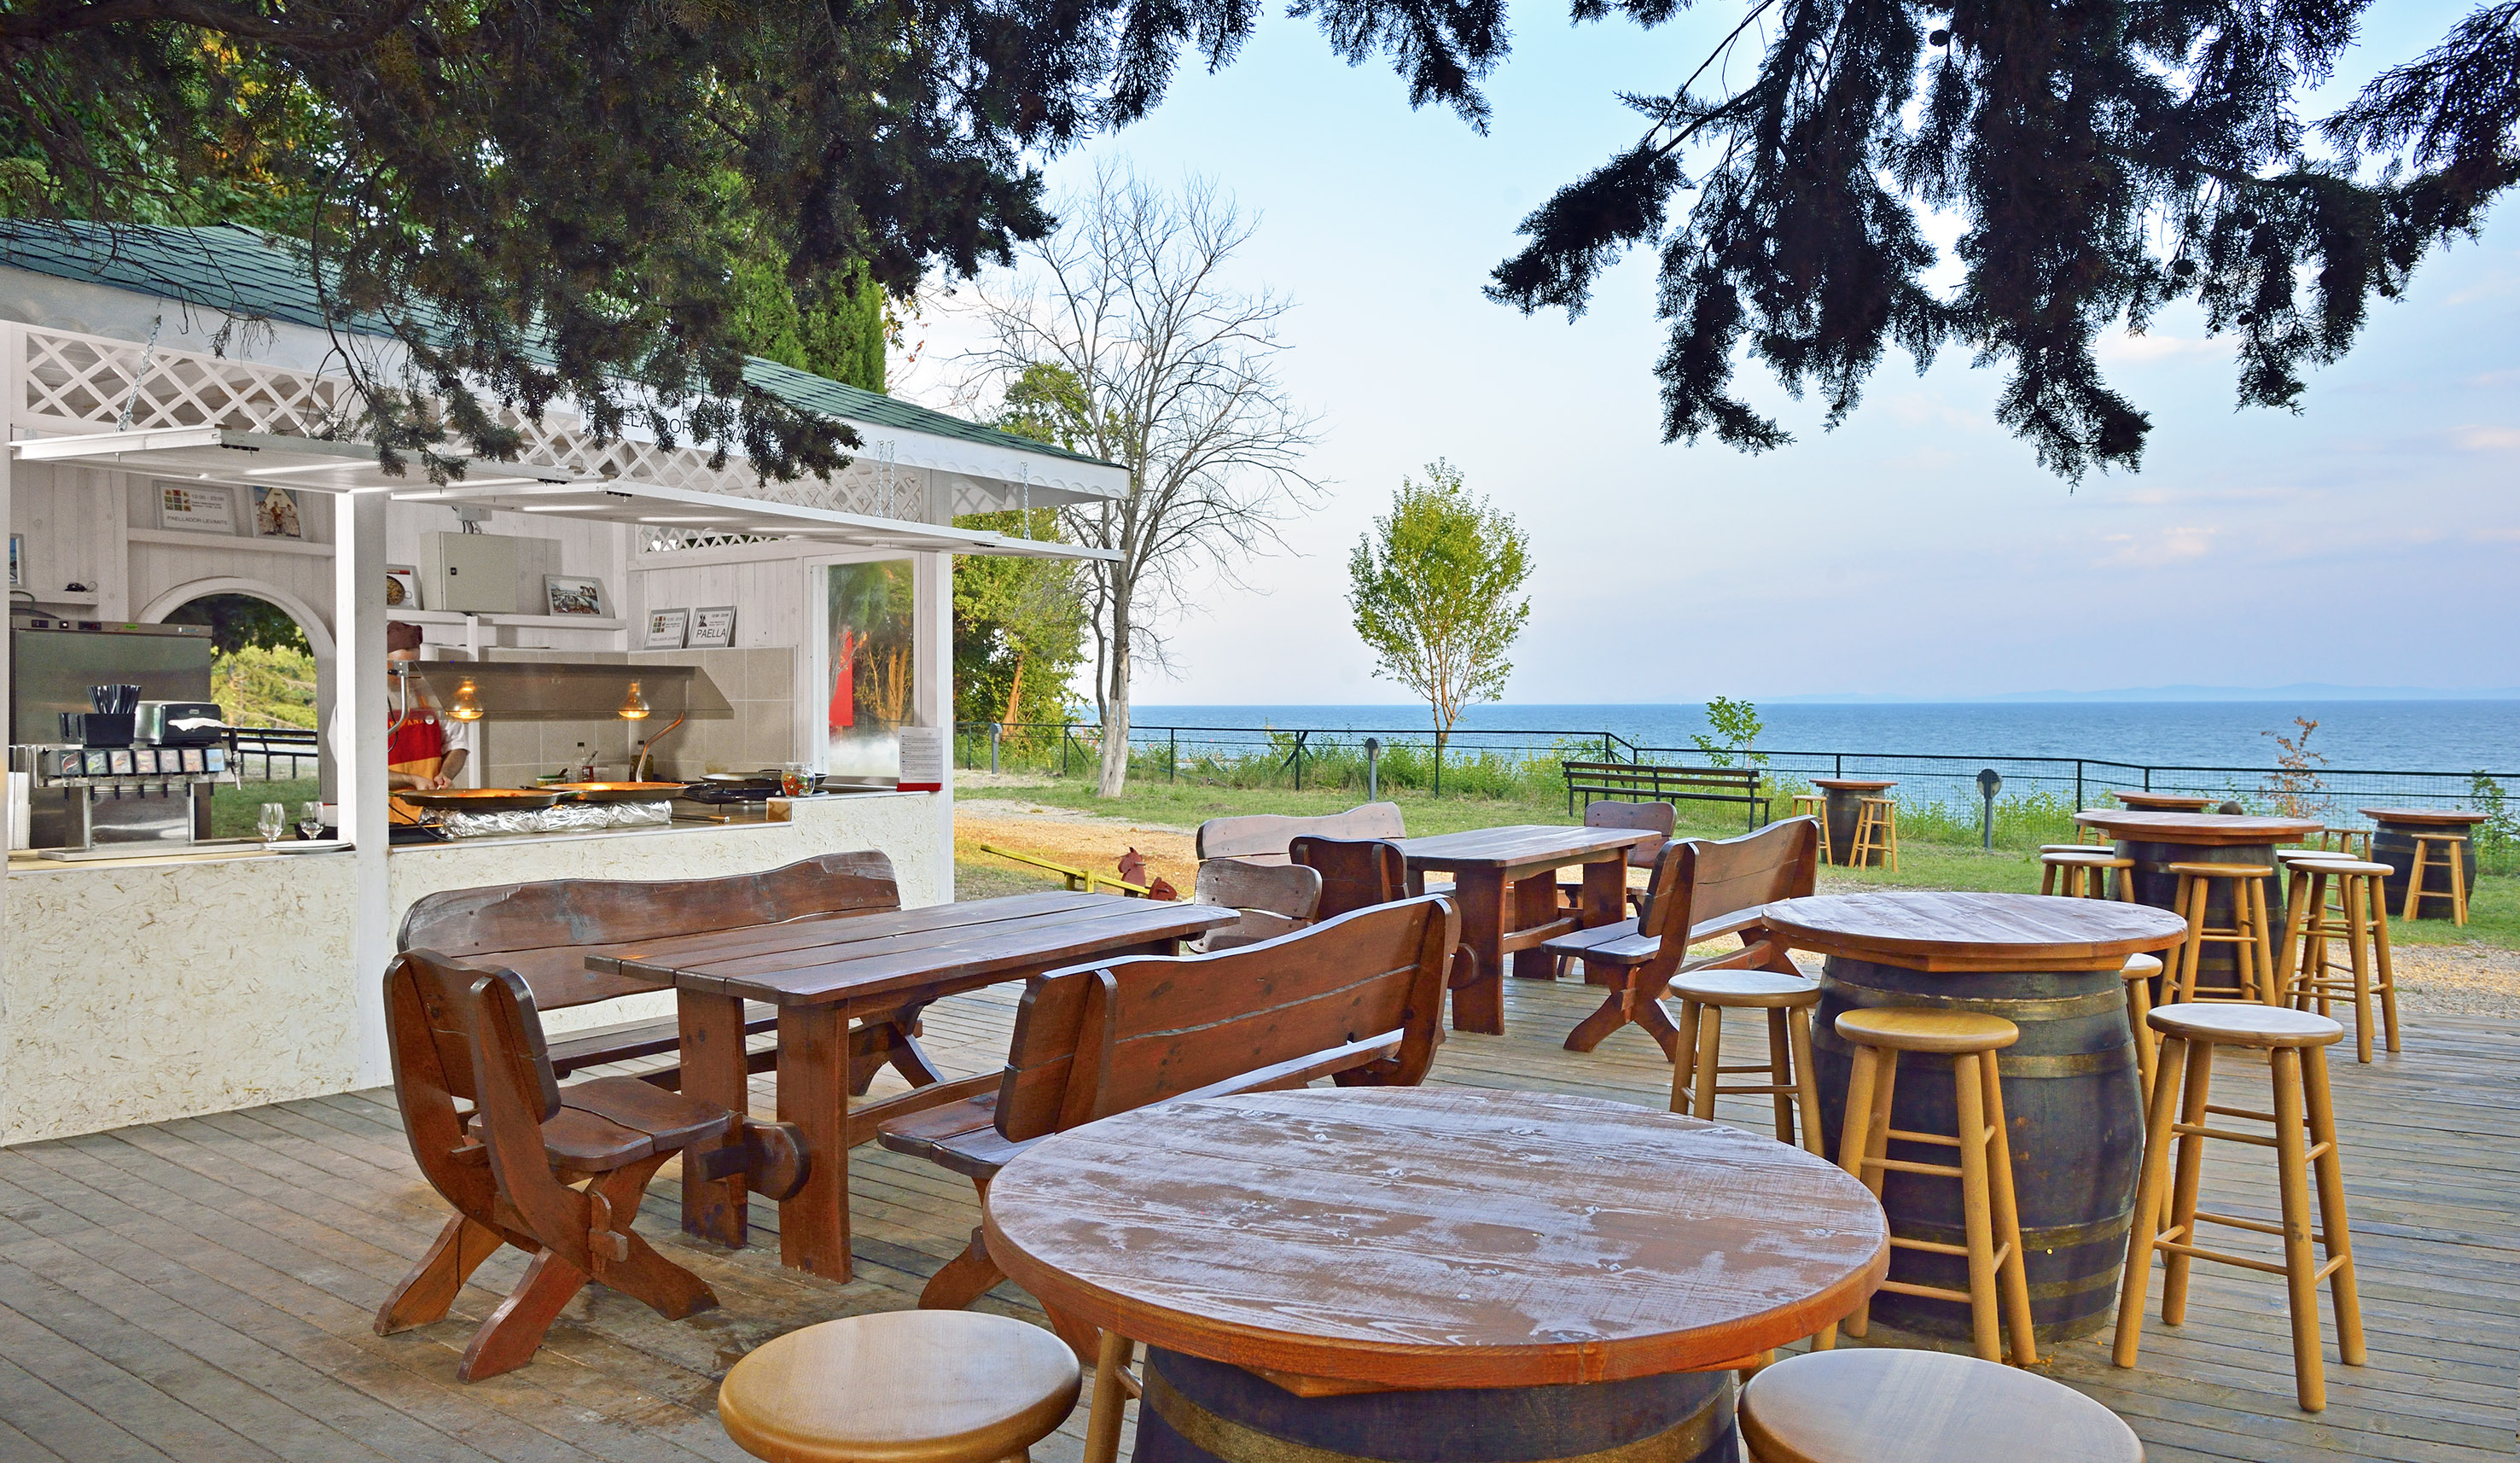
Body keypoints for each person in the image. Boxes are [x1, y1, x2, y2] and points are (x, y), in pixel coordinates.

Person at [385, 621, 463, 791]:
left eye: (412, 667)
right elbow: (358, 766)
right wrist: (411, 780)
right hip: (383, 805)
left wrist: (446, 774)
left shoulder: (433, 695)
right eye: (397, 667)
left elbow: (457, 745)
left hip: (429, 803)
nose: (405, 674)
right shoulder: (361, 702)